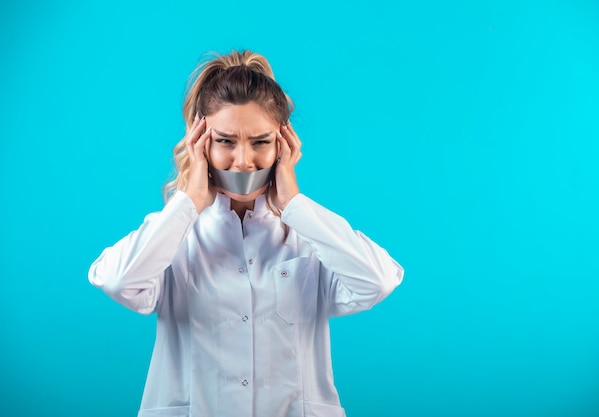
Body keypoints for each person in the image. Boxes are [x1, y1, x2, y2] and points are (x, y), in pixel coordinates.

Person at [88, 49, 404, 417]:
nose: (242, 160)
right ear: (200, 141)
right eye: (225, 141)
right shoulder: (173, 235)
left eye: (260, 142)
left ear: (283, 145)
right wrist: (188, 201)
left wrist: (295, 205)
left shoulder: (310, 237)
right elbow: (116, 281)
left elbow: (378, 281)